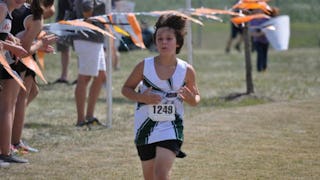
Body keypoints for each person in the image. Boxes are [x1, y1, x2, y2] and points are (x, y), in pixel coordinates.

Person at [121, 14, 201, 180]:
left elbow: (196, 97)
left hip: (171, 127)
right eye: (160, 39)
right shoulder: (144, 66)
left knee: (161, 174)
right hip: (145, 127)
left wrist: (191, 99)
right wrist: (143, 98)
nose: (164, 42)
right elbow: (126, 89)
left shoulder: (186, 70)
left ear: (178, 42)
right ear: (155, 42)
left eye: (169, 39)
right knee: (150, 177)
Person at [10, 0, 57, 155]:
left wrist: (39, 45)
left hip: (13, 57)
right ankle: (15, 142)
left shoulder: (18, 7)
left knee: (33, 92)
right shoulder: (36, 19)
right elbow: (24, 50)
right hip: (19, 61)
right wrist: (40, 43)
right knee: (20, 101)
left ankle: (11, 131)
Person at [0, 0, 29, 164]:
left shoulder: (7, 10)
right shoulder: (2, 8)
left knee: (6, 106)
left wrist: (10, 39)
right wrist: (11, 48)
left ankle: (5, 152)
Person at [73, 0, 107, 127]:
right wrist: (90, 21)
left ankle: (89, 116)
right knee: (85, 77)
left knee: (100, 76)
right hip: (87, 38)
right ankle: (80, 120)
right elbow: (87, 8)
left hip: (94, 39)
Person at [54, 0, 75, 84]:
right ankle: (64, 76)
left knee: (79, 49)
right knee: (63, 49)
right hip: (61, 19)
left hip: (76, 20)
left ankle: (80, 76)